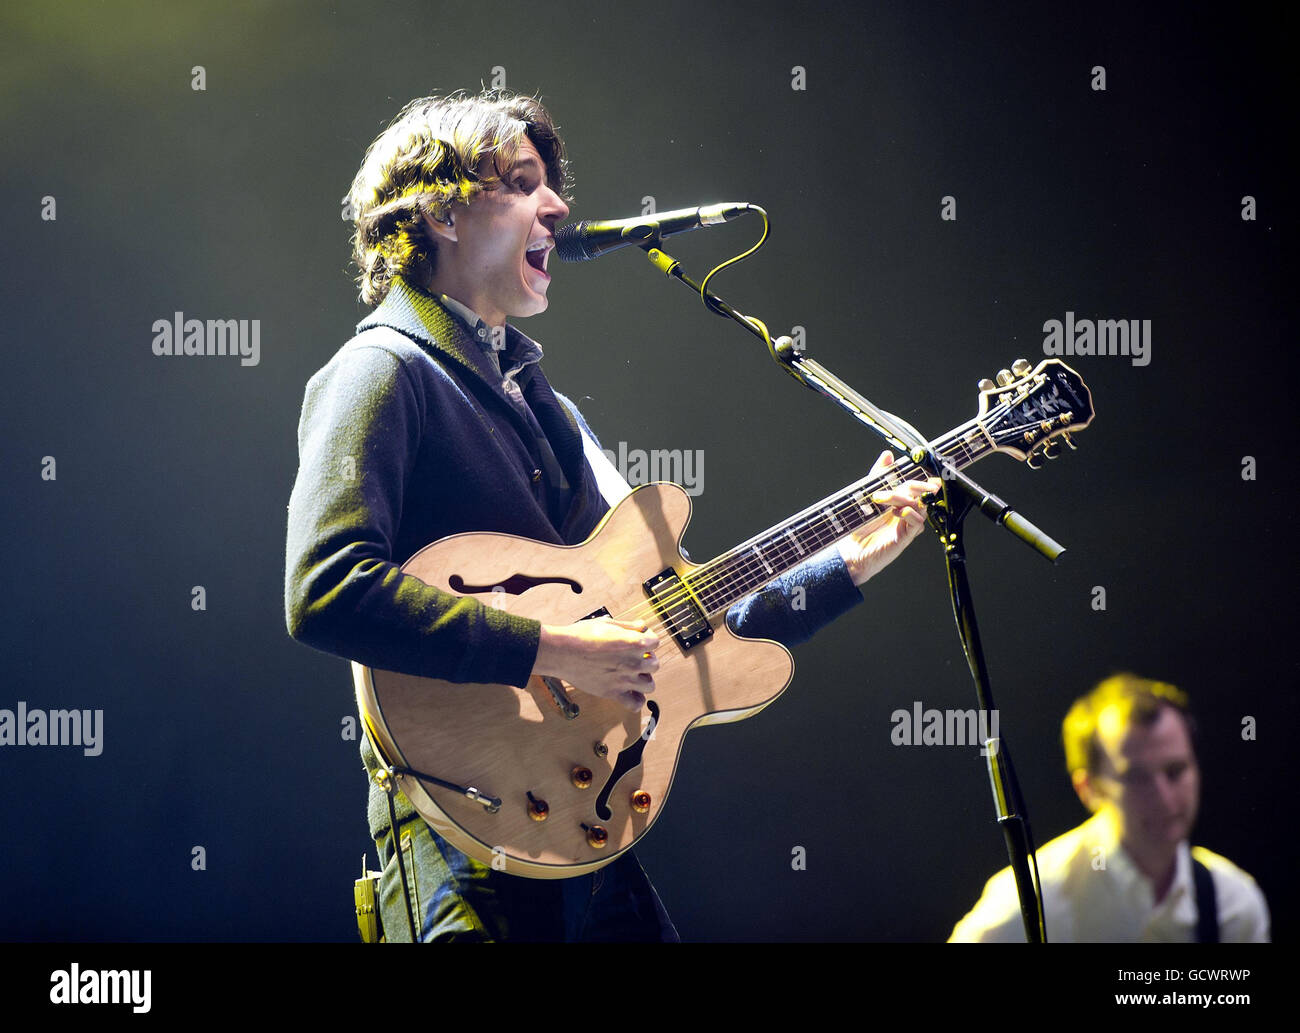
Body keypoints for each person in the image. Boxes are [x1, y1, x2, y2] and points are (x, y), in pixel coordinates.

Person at [285, 89, 939, 941]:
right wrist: (551, 648)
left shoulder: (545, 407)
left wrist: (851, 557)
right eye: (522, 184)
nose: (556, 205)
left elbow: (671, 628)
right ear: (442, 211)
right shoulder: (381, 370)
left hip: (580, 824)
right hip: (459, 836)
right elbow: (324, 588)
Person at [949, 673, 1269, 942]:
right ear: (1088, 789)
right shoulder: (1033, 899)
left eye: (1175, 770)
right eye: (1137, 777)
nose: (1163, 796)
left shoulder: (1235, 905)